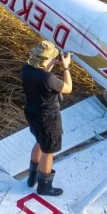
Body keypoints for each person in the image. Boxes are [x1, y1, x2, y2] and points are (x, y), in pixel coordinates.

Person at [21, 40, 73, 196]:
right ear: (46, 58)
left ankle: (32, 177)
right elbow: (68, 88)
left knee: (39, 140)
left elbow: (42, 75)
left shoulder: (26, 69)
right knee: (48, 150)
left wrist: (51, 65)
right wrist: (65, 67)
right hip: (49, 118)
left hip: (32, 113)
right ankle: (44, 186)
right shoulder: (49, 79)